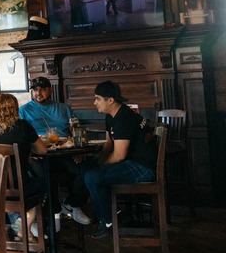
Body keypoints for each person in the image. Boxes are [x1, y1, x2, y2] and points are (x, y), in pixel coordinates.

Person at [85, 81, 158, 239]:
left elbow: (119, 155)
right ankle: (111, 215)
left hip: (143, 167)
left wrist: (100, 168)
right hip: (131, 163)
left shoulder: (124, 117)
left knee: (93, 176)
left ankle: (109, 219)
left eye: (98, 98)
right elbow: (109, 144)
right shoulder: (111, 117)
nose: (94, 102)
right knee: (88, 172)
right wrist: (98, 163)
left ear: (110, 100)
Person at [20, 77, 92, 225]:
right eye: (35, 90)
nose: (38, 93)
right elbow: (21, 137)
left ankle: (72, 204)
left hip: (64, 152)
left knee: (87, 169)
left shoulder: (63, 108)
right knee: (46, 176)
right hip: (38, 155)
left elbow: (76, 129)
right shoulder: (24, 110)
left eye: (42, 89)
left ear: (50, 90)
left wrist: (80, 149)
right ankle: (54, 213)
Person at [0, 93, 48, 241]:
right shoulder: (22, 126)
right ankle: (22, 225)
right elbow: (42, 150)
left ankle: (25, 233)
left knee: (29, 185)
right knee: (45, 183)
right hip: (18, 187)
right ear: (15, 108)